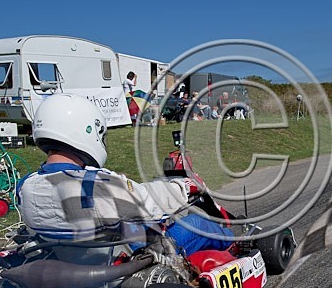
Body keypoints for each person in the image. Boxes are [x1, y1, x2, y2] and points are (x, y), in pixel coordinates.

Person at [16, 93, 233, 257]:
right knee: (195, 222)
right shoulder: (94, 185)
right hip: (121, 257)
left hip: (73, 255)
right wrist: (183, 187)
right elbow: (150, 203)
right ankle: (237, 245)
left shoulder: (26, 185)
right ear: (86, 130)